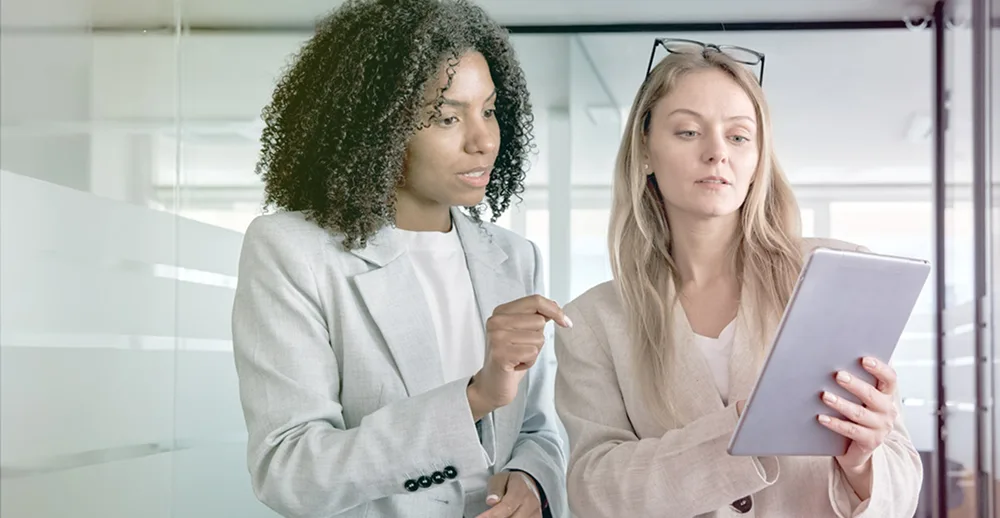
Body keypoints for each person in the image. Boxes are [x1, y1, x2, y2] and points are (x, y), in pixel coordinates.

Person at [552, 39, 922, 518]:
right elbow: (594, 490)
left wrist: (863, 464)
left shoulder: (835, 275)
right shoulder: (593, 322)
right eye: (688, 132)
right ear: (645, 150)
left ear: (757, 159)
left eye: (739, 136)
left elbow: (902, 482)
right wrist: (741, 430)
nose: (716, 153)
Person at [231, 1, 569, 517]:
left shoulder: (514, 257)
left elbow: (539, 429)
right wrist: (473, 398)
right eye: (447, 117)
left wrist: (530, 480)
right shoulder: (292, 251)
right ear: (377, 128)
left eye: (490, 110)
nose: (483, 141)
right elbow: (289, 468)